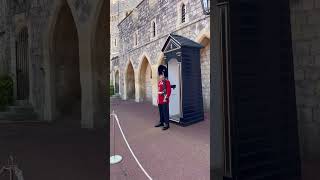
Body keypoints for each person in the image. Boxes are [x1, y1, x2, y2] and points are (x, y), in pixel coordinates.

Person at [155, 65, 171, 130]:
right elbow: (159, 91)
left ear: (163, 75)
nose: (160, 76)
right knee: (161, 112)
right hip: (160, 100)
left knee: (165, 112)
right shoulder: (159, 82)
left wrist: (166, 98)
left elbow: (169, 91)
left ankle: (167, 124)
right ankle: (161, 122)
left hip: (164, 99)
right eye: (160, 75)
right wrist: (158, 99)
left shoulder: (167, 82)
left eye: (161, 75)